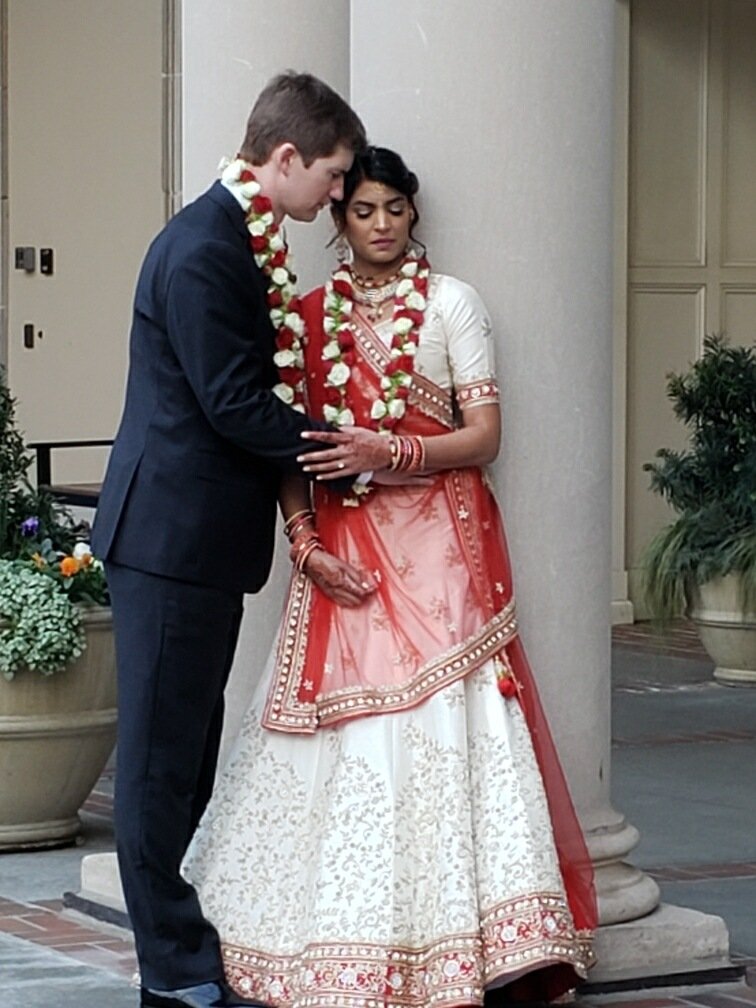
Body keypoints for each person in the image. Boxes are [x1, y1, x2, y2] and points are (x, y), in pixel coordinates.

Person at [182, 146, 598, 1008]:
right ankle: (335, 942)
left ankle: (456, 951)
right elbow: (290, 448)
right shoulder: (305, 316)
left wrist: (391, 450)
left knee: (442, 730)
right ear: (339, 220)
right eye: (363, 210)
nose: (381, 225)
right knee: (345, 740)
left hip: (441, 558)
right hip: (344, 558)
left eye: (395, 209)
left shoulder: (452, 304)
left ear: (414, 214)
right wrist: (304, 543)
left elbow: (483, 437)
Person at [91, 74, 391, 1008]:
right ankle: (175, 971)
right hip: (169, 538)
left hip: (199, 542)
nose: (337, 195)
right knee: (157, 763)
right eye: (333, 175)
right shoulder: (202, 249)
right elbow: (232, 404)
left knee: (186, 754)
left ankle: (180, 952)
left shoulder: (241, 239)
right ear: (286, 157)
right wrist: (345, 452)